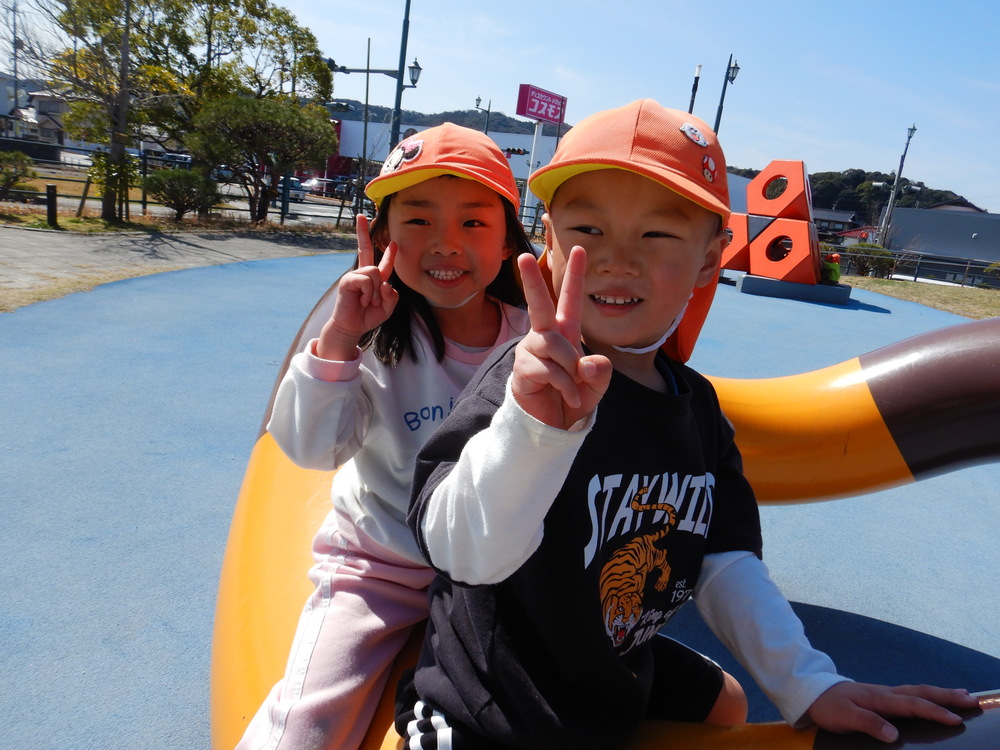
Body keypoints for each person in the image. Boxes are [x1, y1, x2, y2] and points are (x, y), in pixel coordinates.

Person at [397, 100, 978, 750]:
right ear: (552, 246)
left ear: (709, 260)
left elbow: (725, 560)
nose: (618, 259)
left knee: (727, 701)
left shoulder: (694, 407)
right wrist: (531, 434)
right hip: (493, 704)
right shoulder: (528, 384)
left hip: (605, 664)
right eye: (587, 229)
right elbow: (460, 553)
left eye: (656, 235)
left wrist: (809, 683)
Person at [237, 123, 534, 750]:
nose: (445, 244)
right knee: (305, 727)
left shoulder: (530, 339)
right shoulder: (376, 335)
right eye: (419, 220)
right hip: (381, 565)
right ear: (381, 234)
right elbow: (312, 449)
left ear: (509, 240)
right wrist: (342, 338)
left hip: (496, 571)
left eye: (474, 224)